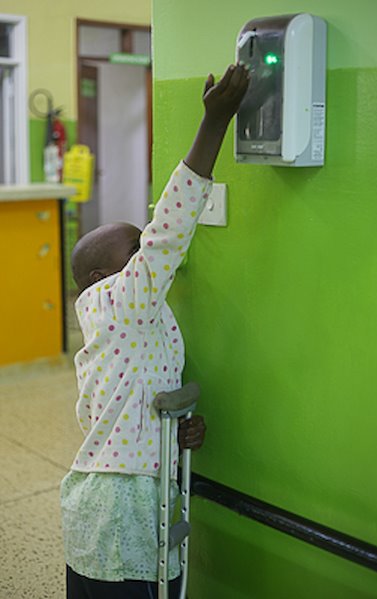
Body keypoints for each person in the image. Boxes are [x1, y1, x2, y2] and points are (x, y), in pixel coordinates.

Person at [61, 62, 250, 599]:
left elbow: (111, 410)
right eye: (134, 249)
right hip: (122, 514)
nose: (146, 252)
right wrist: (212, 126)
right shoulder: (119, 301)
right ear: (104, 276)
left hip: (102, 508)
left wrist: (174, 430)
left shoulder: (120, 326)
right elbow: (169, 232)